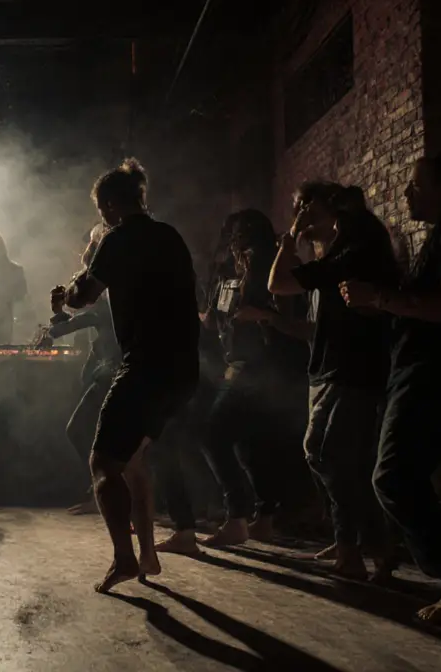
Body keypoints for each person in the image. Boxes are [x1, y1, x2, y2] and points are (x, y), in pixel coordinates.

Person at [340, 154, 441, 622]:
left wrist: (382, 298)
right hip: (417, 371)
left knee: (394, 477)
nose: (407, 193)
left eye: (416, 185)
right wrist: (378, 305)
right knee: (401, 477)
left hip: (435, 374)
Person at [60, 159, 199, 593]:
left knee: (102, 464)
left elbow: (82, 296)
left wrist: (67, 291)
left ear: (109, 205)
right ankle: (148, 556)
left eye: (101, 210)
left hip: (145, 367)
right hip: (183, 370)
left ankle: (124, 559)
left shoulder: (117, 239)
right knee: (134, 461)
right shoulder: (170, 235)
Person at [268, 181, 399, 580]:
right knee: (339, 462)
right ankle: (355, 544)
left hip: (352, 368)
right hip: (328, 367)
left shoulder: (356, 239)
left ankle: (364, 545)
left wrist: (291, 238)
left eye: (306, 205)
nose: (301, 214)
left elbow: (279, 283)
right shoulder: (336, 250)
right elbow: (284, 288)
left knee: (324, 454)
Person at [199, 210, 310, 547]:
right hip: (242, 364)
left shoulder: (267, 264)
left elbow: (289, 317)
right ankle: (263, 517)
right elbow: (212, 321)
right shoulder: (230, 273)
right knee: (249, 445)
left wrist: (262, 317)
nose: (231, 243)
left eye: (235, 235)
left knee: (213, 433)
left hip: (260, 367)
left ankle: (237, 516)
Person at [38, 225, 119, 515]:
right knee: (98, 435)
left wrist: (59, 310)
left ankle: (105, 491)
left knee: (81, 431)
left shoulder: (106, 297)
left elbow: (66, 328)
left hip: (112, 374)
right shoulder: (107, 295)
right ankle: (102, 491)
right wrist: (60, 311)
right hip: (110, 371)